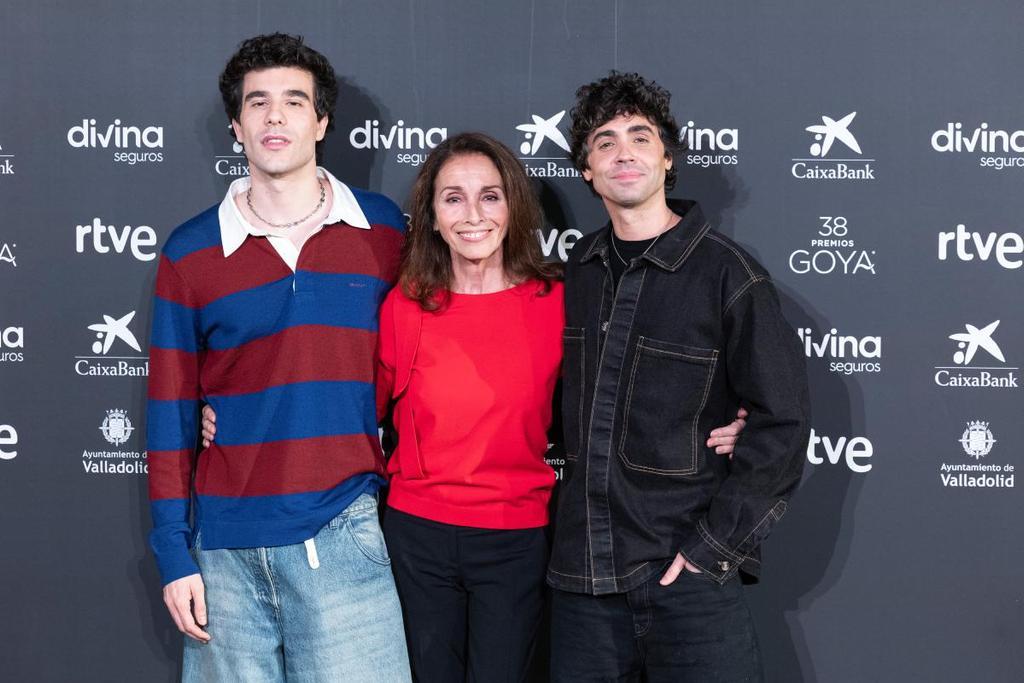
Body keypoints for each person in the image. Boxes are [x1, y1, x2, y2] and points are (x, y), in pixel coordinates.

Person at [201, 131, 748, 681]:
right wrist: (238, 417)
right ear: (432, 216)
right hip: (418, 536)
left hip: (518, 537)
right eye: (453, 198)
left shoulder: (558, 300)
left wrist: (730, 415)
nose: (473, 215)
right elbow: (346, 403)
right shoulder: (404, 307)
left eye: (489, 196)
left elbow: (624, 379)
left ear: (513, 207)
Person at [146, 33, 410, 681]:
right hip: (223, 548)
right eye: (257, 102)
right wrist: (174, 554)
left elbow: (424, 363)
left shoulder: (384, 232)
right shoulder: (191, 251)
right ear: (235, 125)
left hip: (345, 527)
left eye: (294, 101)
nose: (274, 116)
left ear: (320, 121)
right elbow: (169, 414)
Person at [547, 72, 810, 682]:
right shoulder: (573, 277)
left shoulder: (730, 276)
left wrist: (712, 550)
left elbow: (783, 421)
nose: (624, 152)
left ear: (667, 157)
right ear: (587, 169)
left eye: (641, 136)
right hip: (583, 583)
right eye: (604, 141)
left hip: (687, 581)